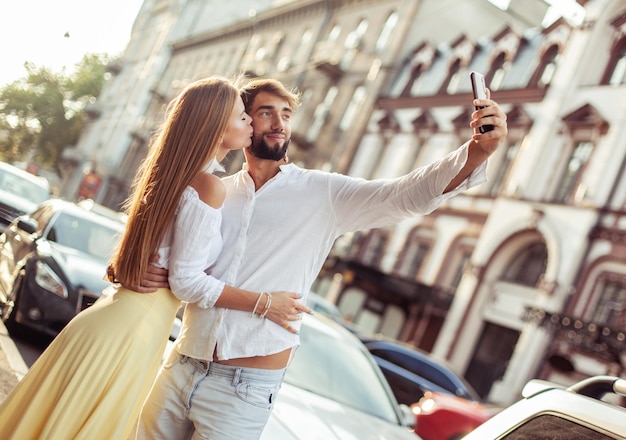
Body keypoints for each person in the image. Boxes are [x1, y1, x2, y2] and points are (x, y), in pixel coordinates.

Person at [133, 77, 508, 439]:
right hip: (180, 363)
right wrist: (154, 272)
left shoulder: (322, 192)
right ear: (243, 122)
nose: (279, 123)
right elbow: (187, 268)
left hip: (243, 388)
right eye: (266, 113)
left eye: (286, 114)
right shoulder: (215, 190)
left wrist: (475, 151)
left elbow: (403, 195)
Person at [0, 76, 307, 440]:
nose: (251, 124)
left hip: (119, 320)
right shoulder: (208, 185)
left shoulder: (175, 175)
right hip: (133, 329)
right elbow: (187, 281)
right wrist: (264, 304)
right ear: (215, 125)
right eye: (243, 117)